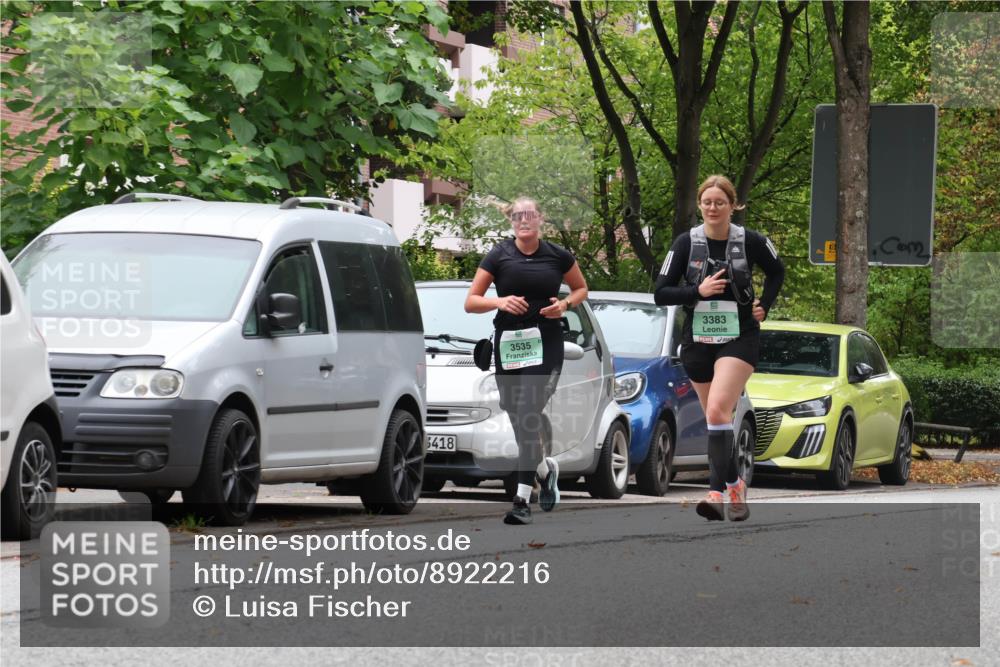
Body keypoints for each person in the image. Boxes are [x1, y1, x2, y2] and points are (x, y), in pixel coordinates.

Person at [654, 175, 784, 521]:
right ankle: (735, 484)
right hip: (697, 339)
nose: (713, 208)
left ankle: (715, 494)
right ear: (700, 205)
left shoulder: (751, 241)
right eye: (707, 202)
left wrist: (764, 305)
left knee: (716, 413)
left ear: (733, 206)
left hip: (739, 336)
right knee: (718, 422)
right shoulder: (686, 243)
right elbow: (660, 292)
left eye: (720, 202)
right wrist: (698, 291)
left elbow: (777, 272)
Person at [465, 197, 589, 525]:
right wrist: (500, 301)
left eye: (529, 215)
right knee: (518, 414)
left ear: (539, 219)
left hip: (545, 342)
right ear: (512, 221)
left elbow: (580, 289)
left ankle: (521, 500)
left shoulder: (557, 255)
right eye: (518, 216)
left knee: (529, 412)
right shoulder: (499, 255)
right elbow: (471, 302)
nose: (524, 220)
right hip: (509, 344)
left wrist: (564, 306)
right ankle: (546, 470)